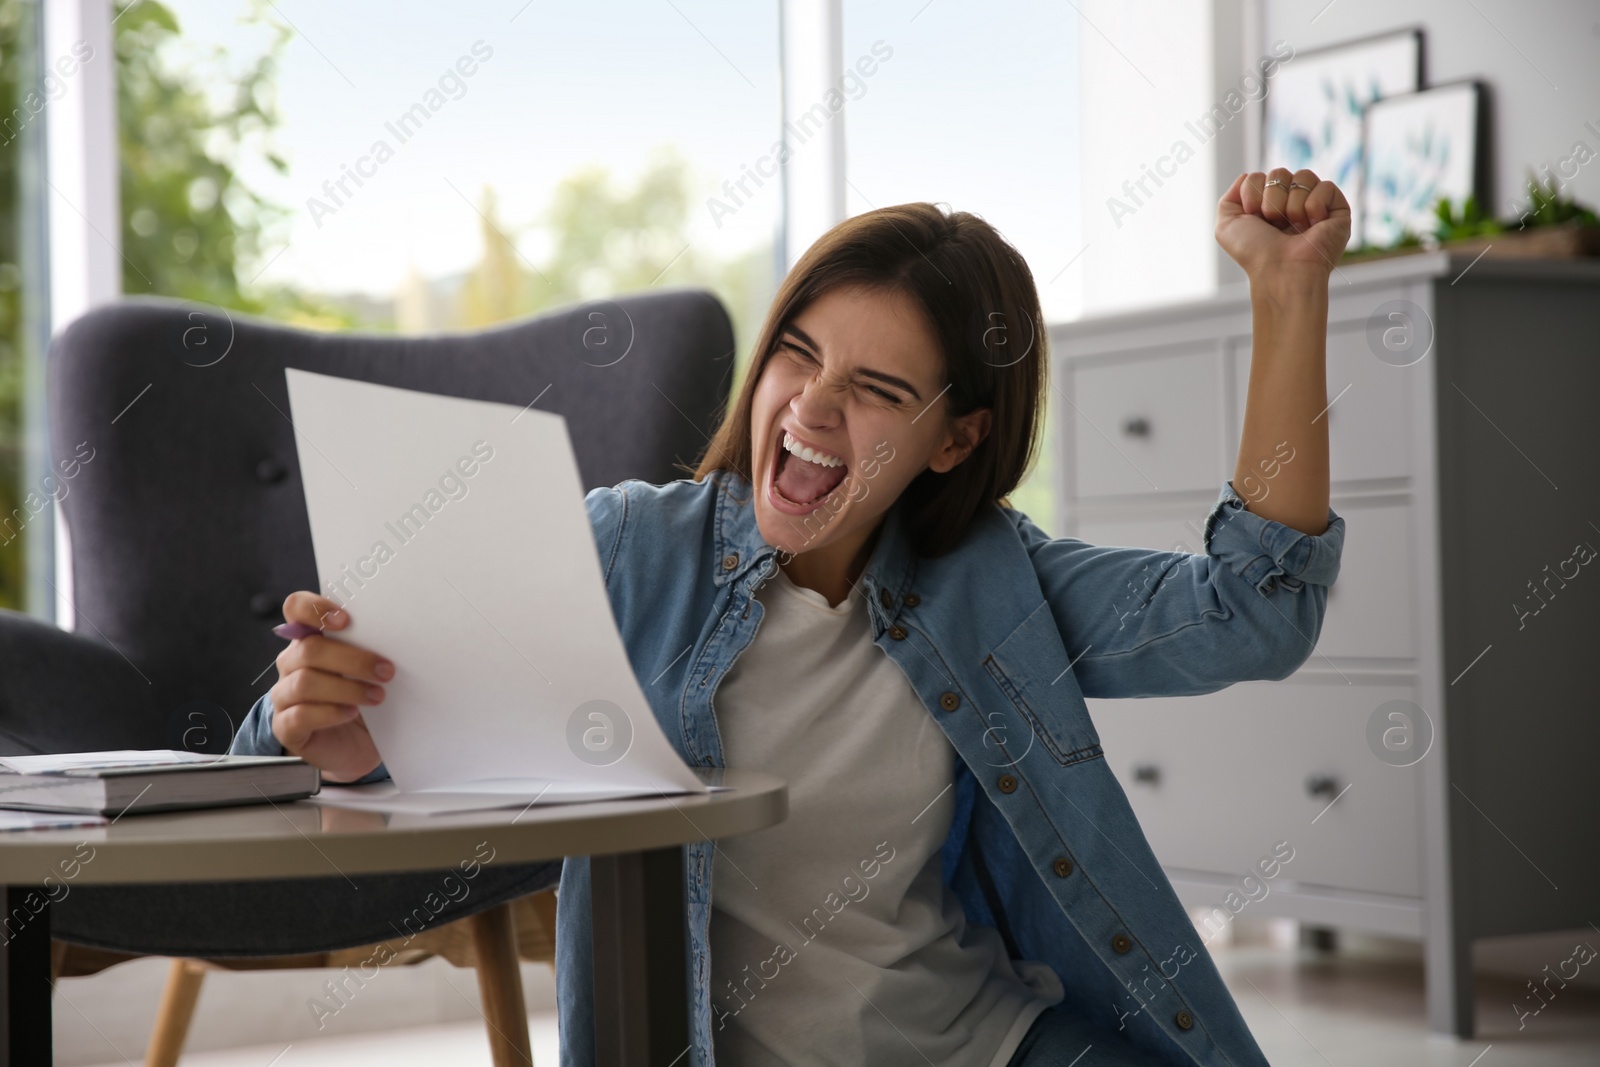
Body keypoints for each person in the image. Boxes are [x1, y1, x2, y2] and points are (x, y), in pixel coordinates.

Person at [232, 168, 1350, 1067]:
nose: (812, 408)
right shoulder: (629, 549)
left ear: (953, 438)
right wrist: (330, 748)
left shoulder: (990, 579)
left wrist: (1287, 293)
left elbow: (1250, 612)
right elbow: (294, 771)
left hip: (989, 1040)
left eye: (875, 389)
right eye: (797, 354)